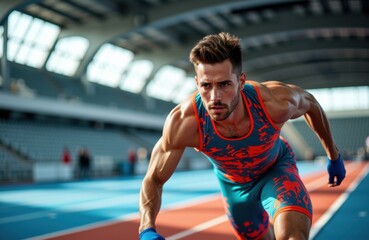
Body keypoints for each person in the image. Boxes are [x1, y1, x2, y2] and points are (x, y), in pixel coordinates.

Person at [138, 32, 346, 240]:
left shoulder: (273, 102)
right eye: (206, 86)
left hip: (276, 169)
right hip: (234, 189)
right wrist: (147, 229)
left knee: (292, 236)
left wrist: (333, 154)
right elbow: (154, 179)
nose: (215, 97)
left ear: (241, 81)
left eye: (224, 84)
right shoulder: (185, 121)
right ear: (197, 83)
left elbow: (311, 104)